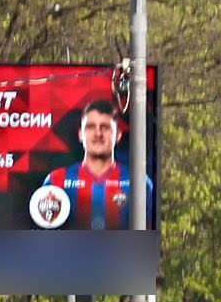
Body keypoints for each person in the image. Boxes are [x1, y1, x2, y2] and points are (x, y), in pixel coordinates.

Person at [32, 98, 148, 229]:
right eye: (90, 127)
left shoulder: (139, 182)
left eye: (105, 127)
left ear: (118, 135)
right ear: (80, 134)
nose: (98, 133)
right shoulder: (56, 180)